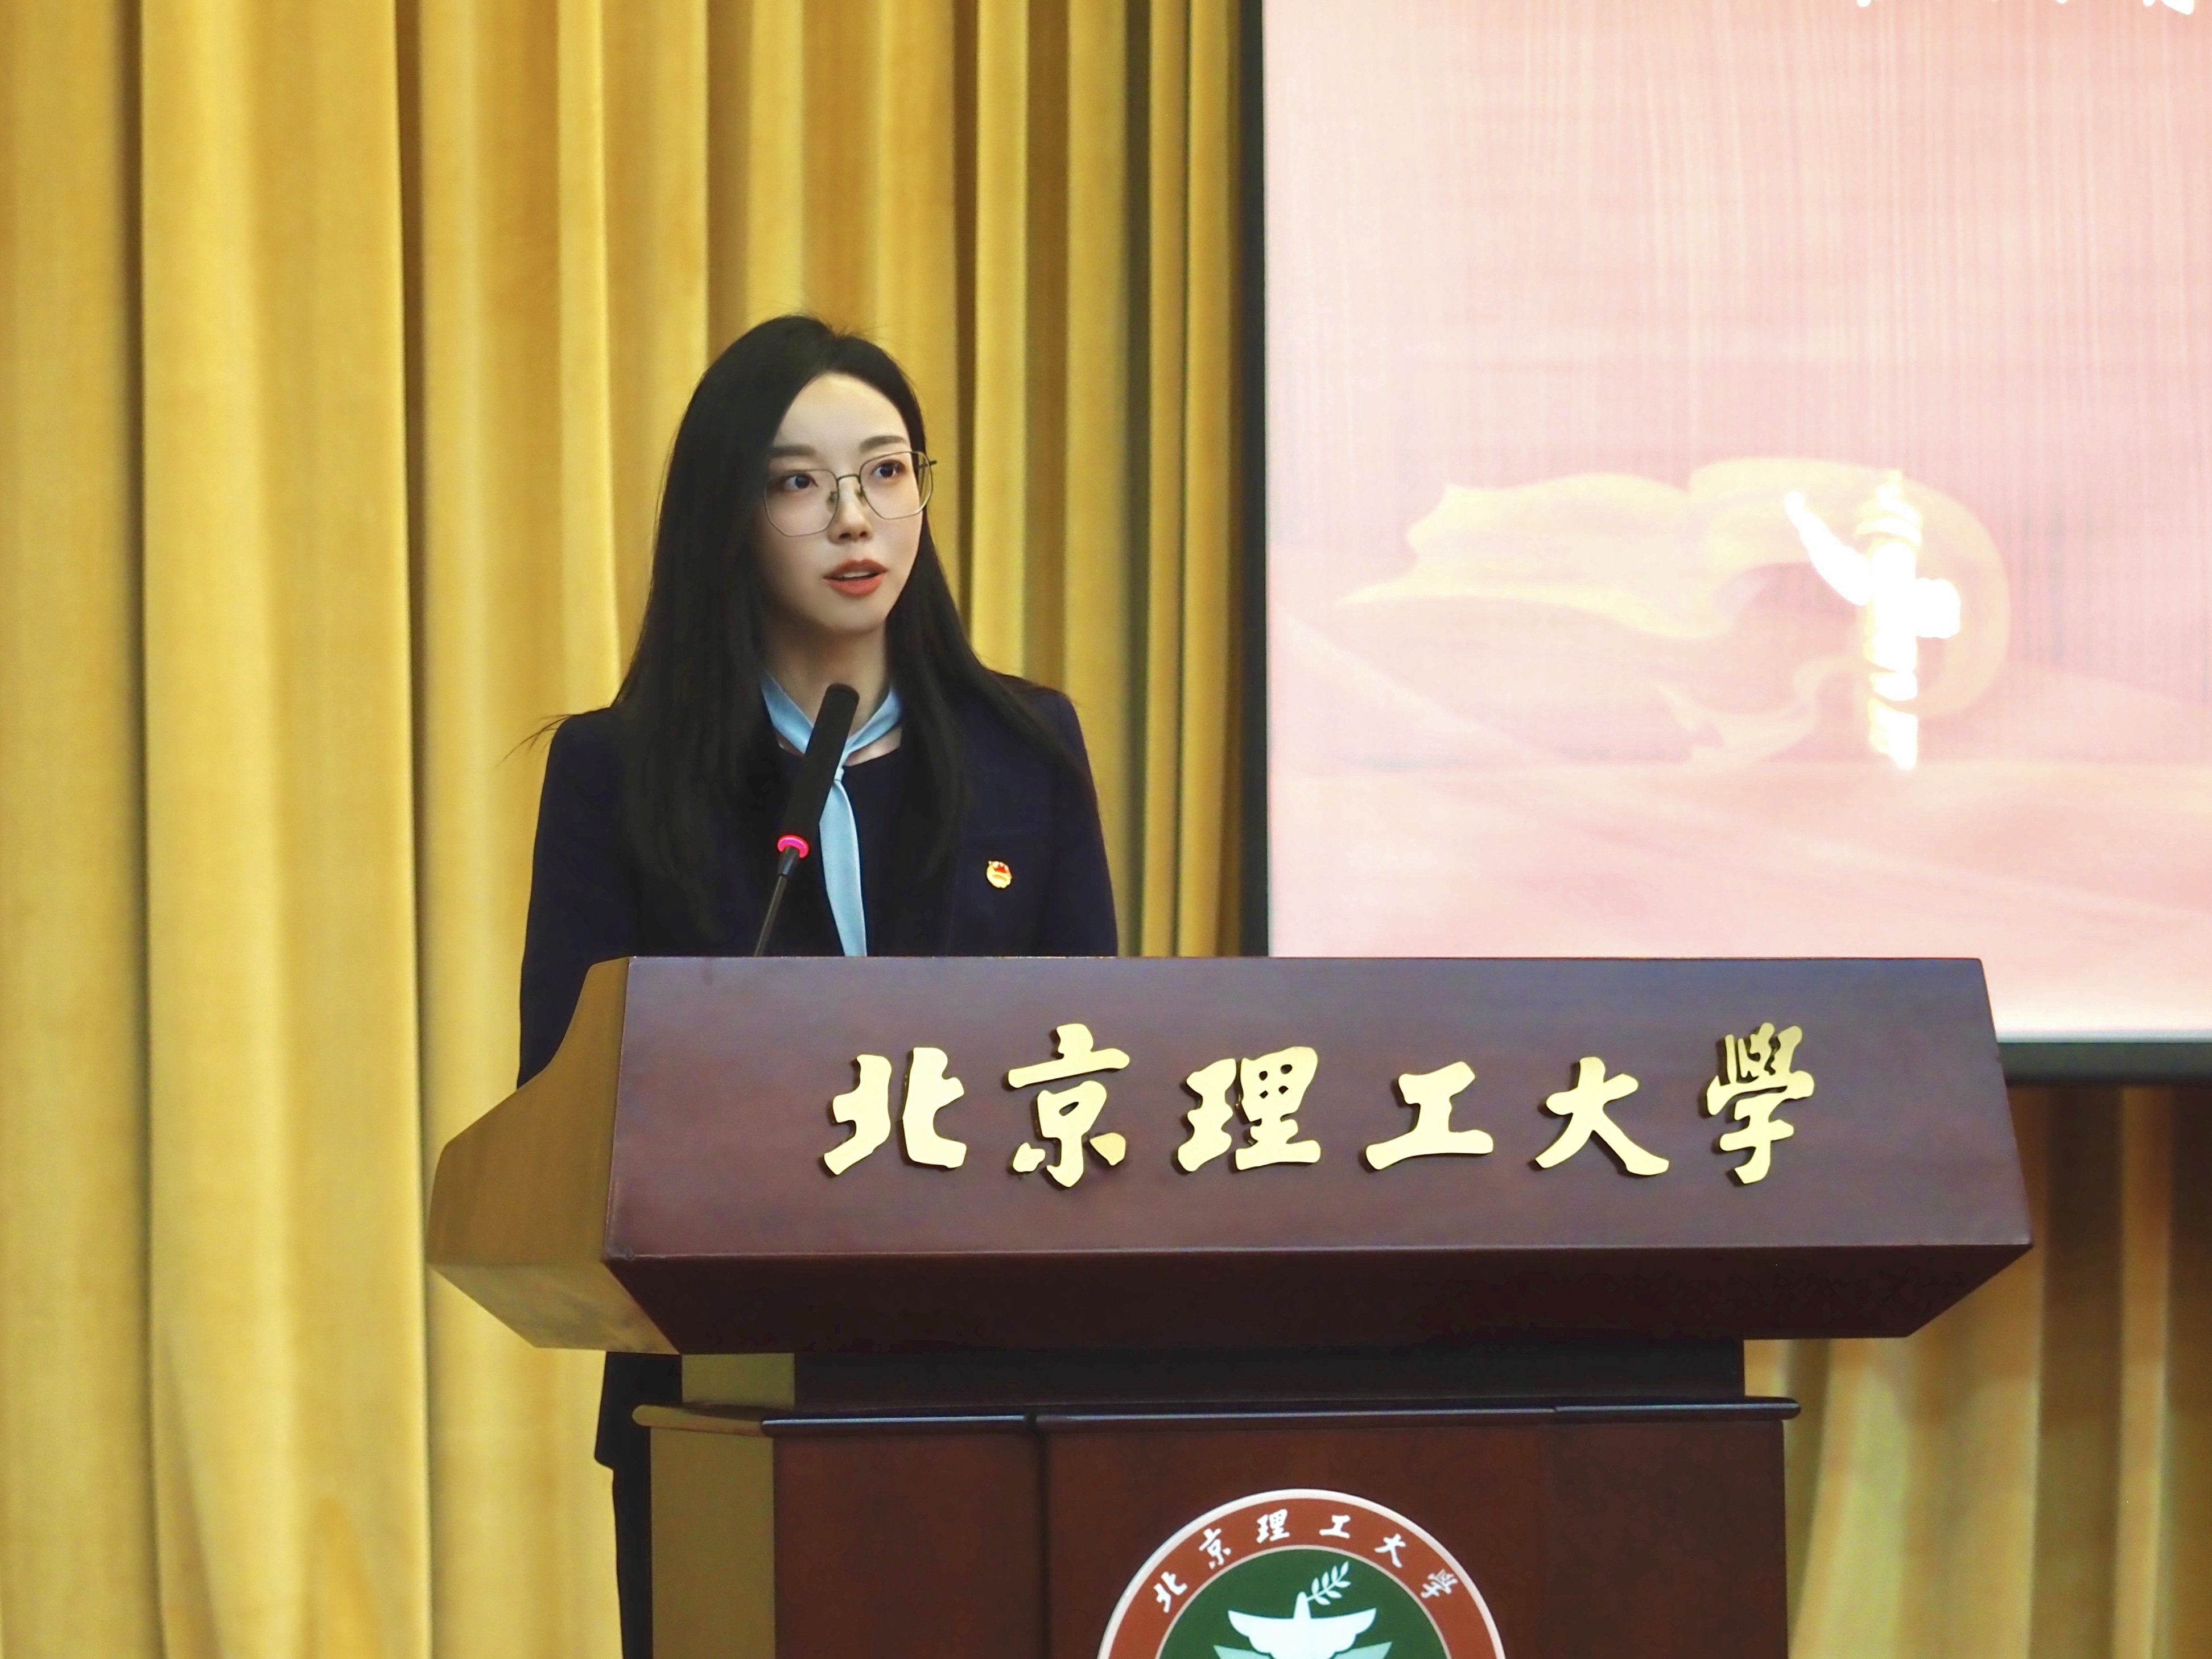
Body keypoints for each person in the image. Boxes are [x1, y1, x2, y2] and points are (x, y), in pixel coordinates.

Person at [515, 315, 1118, 1658]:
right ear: (727, 518)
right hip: (717, 1401)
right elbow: (564, 1097)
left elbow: (1096, 1075)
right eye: (799, 481)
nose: (856, 516)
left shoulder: (1027, 750)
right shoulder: (620, 774)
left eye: (887, 471)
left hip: (997, 1390)